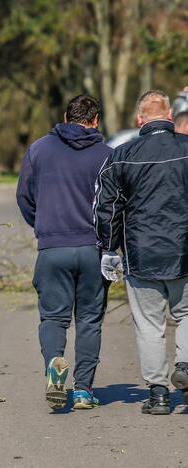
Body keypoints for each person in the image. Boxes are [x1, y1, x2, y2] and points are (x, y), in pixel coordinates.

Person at [95, 89, 188, 415]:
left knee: (149, 325)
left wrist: (108, 249)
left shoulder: (122, 155)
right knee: (187, 314)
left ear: (140, 119)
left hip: (140, 254)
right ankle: (187, 367)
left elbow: (107, 208)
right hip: (184, 251)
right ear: (169, 116)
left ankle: (159, 393)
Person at [17, 94, 111, 411]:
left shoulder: (39, 150)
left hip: (52, 247)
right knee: (89, 320)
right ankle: (83, 390)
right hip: (91, 249)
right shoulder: (107, 156)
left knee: (53, 318)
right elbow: (115, 206)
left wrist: (44, 225)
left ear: (65, 117)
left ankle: (54, 366)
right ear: (96, 120)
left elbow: (24, 197)